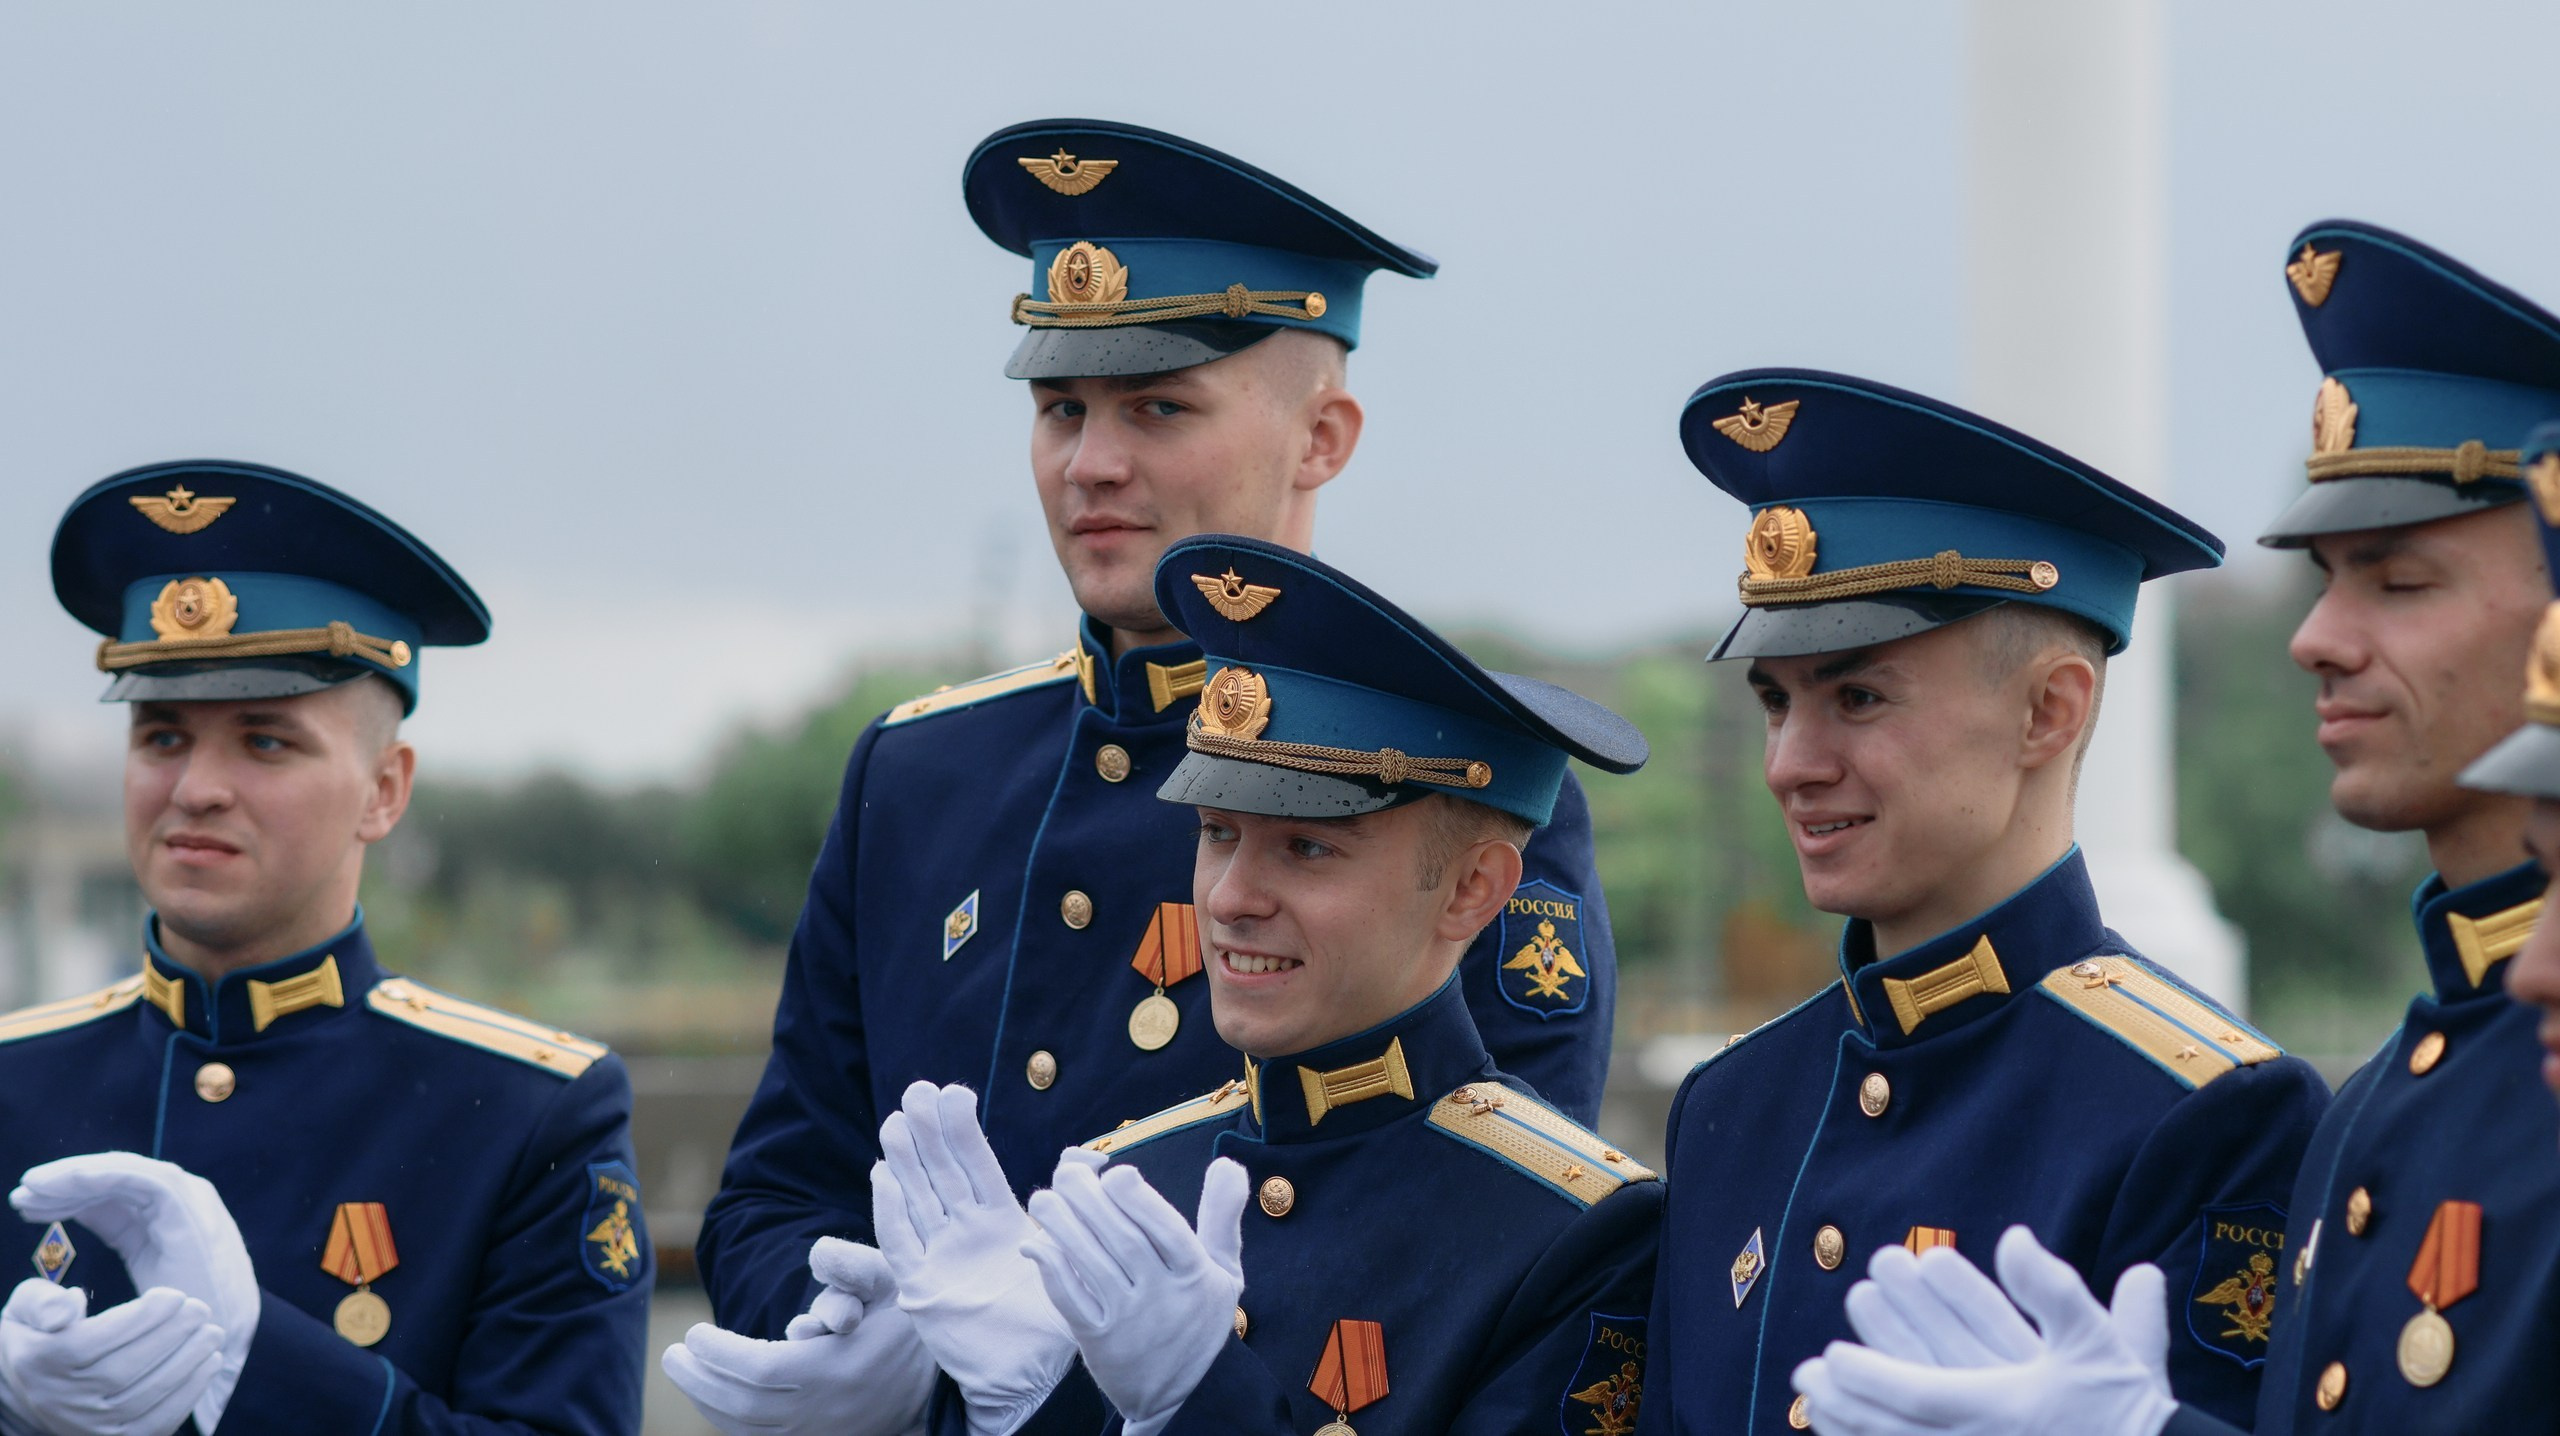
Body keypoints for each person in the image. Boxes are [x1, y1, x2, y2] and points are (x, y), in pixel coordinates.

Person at [688, 119, 1624, 1357]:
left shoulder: (1445, 770)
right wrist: (854, 1350)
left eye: (1158, 406)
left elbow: (1479, 1230)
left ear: (1322, 438)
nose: (1091, 463)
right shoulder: (918, 773)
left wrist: (1086, 1362)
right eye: (1059, 406)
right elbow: (778, 1189)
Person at [1790, 221, 2560, 1435]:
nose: (2316, 637)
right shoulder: (2383, 1100)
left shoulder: (2290, 1102)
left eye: (2397, 581)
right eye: (2325, 580)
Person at [1637, 369, 2332, 1435]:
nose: (1789, 762)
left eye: (1856, 696)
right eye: (1777, 702)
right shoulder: (1734, 1102)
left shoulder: (2205, 1115)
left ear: (2048, 712)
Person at [867, 533, 1658, 1436]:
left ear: (1472, 889)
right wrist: (1016, 1410)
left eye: (1308, 847)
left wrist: (1197, 1403)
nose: (1233, 898)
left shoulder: (1574, 1238)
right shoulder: (1126, 1183)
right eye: (1216, 833)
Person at [0, 460, 648, 1432]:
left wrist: (255, 1362)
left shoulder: (531, 1115)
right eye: (162, 735)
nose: (195, 787)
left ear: (385, 788)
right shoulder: (16, 1079)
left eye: (265, 741)